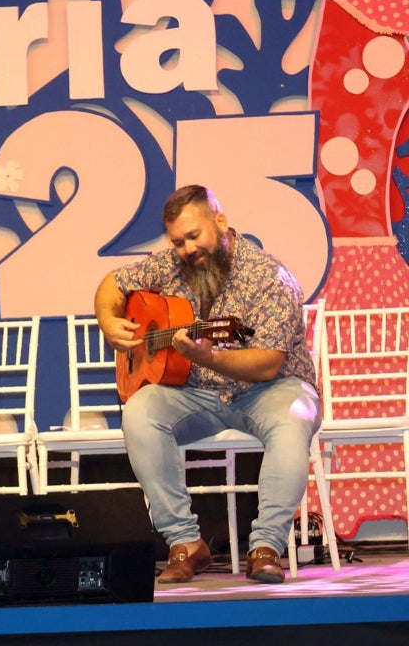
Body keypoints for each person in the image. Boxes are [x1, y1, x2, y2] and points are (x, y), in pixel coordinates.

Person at [94, 185, 322, 584]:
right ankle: (185, 543)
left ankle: (266, 546)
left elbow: (268, 363)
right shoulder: (168, 265)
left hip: (271, 389)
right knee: (140, 412)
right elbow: (113, 283)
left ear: (220, 221)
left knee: (293, 418)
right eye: (178, 242)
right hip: (196, 392)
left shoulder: (269, 276)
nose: (186, 249)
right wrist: (109, 322)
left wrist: (210, 357)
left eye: (194, 236)